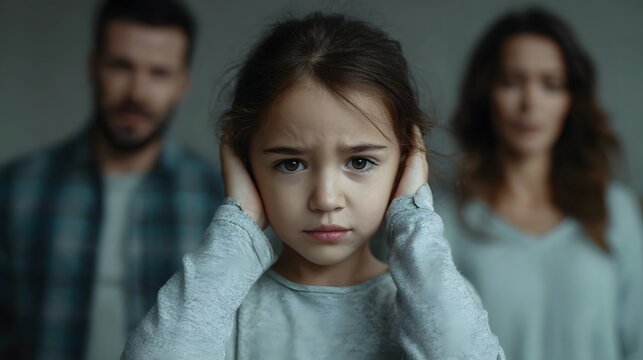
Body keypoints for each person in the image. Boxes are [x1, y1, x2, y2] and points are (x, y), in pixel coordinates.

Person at [121, 12, 505, 360]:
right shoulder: (216, 309)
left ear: (405, 161)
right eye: (291, 163)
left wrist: (413, 221)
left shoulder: (437, 300)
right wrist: (237, 224)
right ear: (246, 163)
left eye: (359, 162)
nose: (325, 199)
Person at [0, 0, 224, 359]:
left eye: (159, 73)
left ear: (182, 83)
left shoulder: (216, 202)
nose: (136, 92)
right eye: (121, 66)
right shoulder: (18, 189)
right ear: (94, 67)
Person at [438, 6, 643, 360]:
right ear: (486, 93)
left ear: (570, 100)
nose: (530, 103)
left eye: (551, 84)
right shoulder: (444, 219)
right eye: (511, 82)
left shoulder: (615, 210)